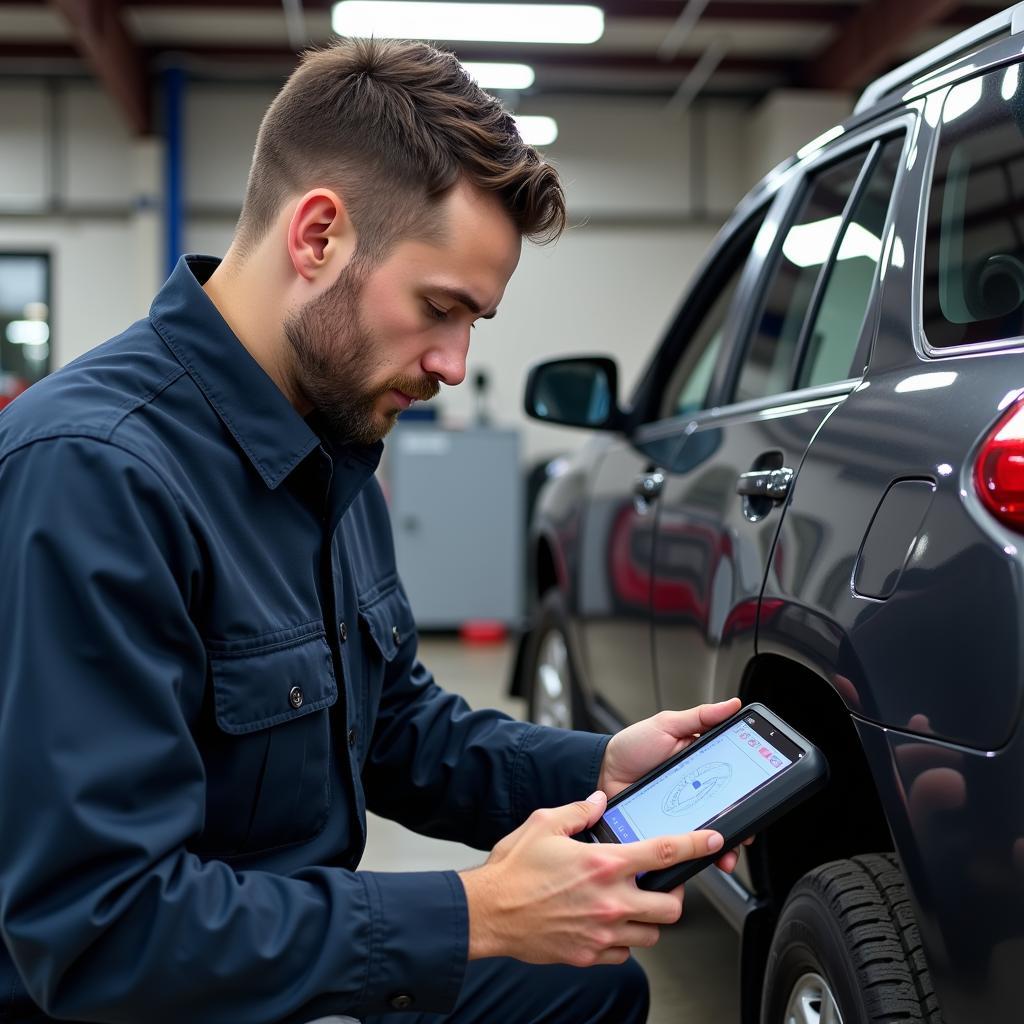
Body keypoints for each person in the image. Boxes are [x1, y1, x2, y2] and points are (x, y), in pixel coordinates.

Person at [0, 37, 744, 1024]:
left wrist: (597, 771)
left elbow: (391, 727)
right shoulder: (92, 475)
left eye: (474, 321)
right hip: (156, 994)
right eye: (440, 309)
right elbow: (103, 933)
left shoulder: (330, 442)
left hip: (277, 963)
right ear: (317, 237)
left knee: (589, 987)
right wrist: (470, 912)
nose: (451, 363)